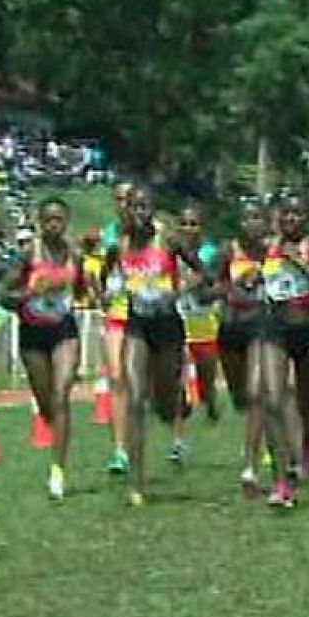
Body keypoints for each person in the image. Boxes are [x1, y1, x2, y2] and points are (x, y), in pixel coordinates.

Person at [107, 187, 207, 505]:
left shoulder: (168, 241)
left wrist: (178, 292)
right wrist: (111, 292)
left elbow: (204, 273)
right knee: (135, 398)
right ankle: (136, 483)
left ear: (153, 210)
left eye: (145, 207)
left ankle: (175, 405)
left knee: (163, 399)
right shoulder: (120, 245)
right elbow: (104, 279)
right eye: (134, 207)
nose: (139, 213)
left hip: (168, 327)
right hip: (137, 325)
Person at [257, 193, 309, 508]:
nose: (291, 220)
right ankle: (281, 479)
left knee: (308, 404)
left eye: (297, 214)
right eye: (286, 214)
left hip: (308, 329)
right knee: (272, 400)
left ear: (307, 218)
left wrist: (303, 265)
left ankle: (306, 448)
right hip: (273, 328)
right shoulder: (268, 245)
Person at [3, 197, 86, 501]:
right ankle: (58, 437)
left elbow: (81, 289)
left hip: (64, 330)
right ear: (40, 223)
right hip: (32, 334)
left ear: (66, 222)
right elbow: (3, 296)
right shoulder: (29, 254)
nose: (54, 225)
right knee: (47, 403)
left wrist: (86, 291)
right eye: (48, 220)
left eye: (59, 220)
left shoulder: (73, 254)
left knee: (61, 394)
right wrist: (28, 292)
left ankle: (58, 471)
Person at [215, 200, 270, 497]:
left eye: (258, 218)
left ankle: (250, 466)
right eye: (247, 218)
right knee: (240, 396)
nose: (253, 224)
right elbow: (208, 287)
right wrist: (232, 286)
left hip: (261, 327)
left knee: (256, 392)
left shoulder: (273, 253)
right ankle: (253, 434)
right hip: (230, 328)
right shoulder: (228, 251)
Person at [172, 205, 222, 456]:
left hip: (204, 324)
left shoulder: (211, 252)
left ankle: (210, 402)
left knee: (205, 384)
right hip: (176, 323)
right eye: (184, 223)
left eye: (194, 224)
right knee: (177, 384)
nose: (189, 229)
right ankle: (179, 442)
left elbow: (216, 281)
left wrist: (198, 283)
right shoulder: (170, 250)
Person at [96, 182, 136, 475]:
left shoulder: (156, 232)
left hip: (148, 314)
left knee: (141, 380)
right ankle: (119, 450)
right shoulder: (109, 234)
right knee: (117, 376)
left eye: (129, 199)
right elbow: (101, 270)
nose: (124, 205)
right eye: (119, 199)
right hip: (118, 313)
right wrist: (103, 294)